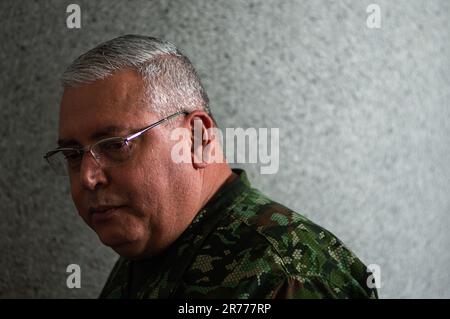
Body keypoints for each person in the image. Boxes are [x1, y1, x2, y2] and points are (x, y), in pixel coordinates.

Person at [44, 35, 378, 299]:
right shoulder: (152, 247)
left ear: (197, 138)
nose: (88, 177)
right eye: (73, 155)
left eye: (116, 145)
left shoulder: (289, 274)